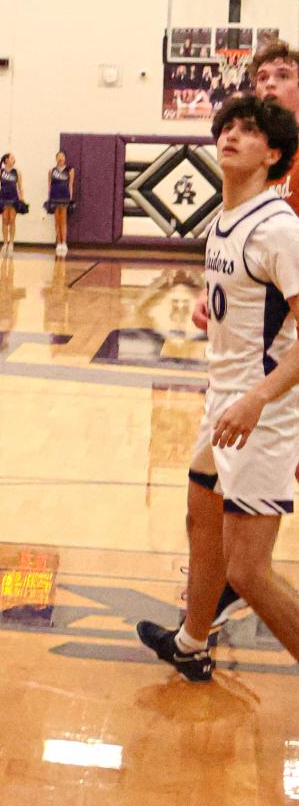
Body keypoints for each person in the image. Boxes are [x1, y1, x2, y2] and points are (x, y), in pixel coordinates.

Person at [136, 94, 299, 685]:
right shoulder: (223, 220)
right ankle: (191, 641)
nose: (231, 134)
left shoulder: (281, 229)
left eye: (249, 131)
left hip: (264, 412)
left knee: (250, 572)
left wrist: (257, 399)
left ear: (274, 153)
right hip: (223, 402)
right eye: (227, 126)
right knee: (200, 514)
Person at [0, 152, 28, 255]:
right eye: (12, 158)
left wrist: (22, 199)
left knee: (12, 220)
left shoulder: (17, 172)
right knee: (4, 220)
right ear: (6, 160)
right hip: (3, 198)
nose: (14, 159)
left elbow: (20, 187)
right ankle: (5, 243)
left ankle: (11, 243)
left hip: (14, 198)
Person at [45, 150, 75, 258]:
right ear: (56, 158)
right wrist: (49, 199)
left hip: (64, 197)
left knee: (63, 221)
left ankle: (64, 243)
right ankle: (58, 242)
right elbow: (49, 186)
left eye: (62, 156)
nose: (60, 158)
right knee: (57, 221)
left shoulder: (70, 170)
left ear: (65, 158)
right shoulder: (51, 171)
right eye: (58, 156)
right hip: (54, 197)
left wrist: (70, 199)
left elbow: (70, 185)